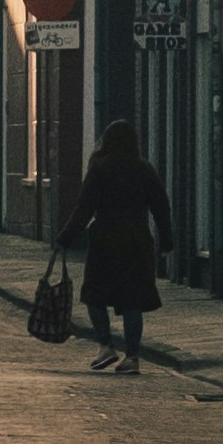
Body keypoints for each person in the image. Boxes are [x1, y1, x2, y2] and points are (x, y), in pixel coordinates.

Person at [71, 123, 169, 377]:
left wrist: (66, 237)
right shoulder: (144, 169)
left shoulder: (100, 168)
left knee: (93, 294)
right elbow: (161, 207)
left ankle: (105, 346)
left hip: (106, 240)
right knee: (132, 300)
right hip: (137, 241)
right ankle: (132, 356)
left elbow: (85, 207)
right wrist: (167, 239)